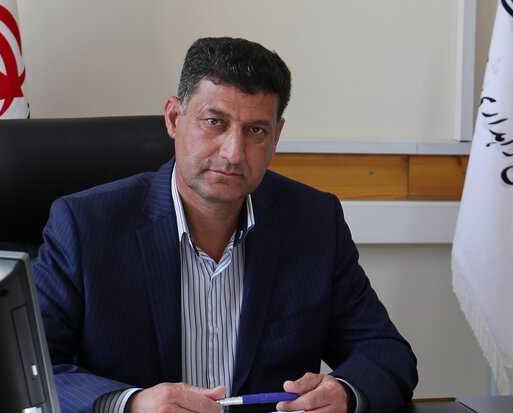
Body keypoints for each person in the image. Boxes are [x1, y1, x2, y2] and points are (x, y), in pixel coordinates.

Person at [33, 37, 418, 413]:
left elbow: (385, 352)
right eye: (214, 122)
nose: (234, 153)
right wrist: (130, 404)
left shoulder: (313, 221)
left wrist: (344, 393)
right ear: (173, 118)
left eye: (256, 130)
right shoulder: (86, 226)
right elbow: (33, 369)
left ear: (276, 136)